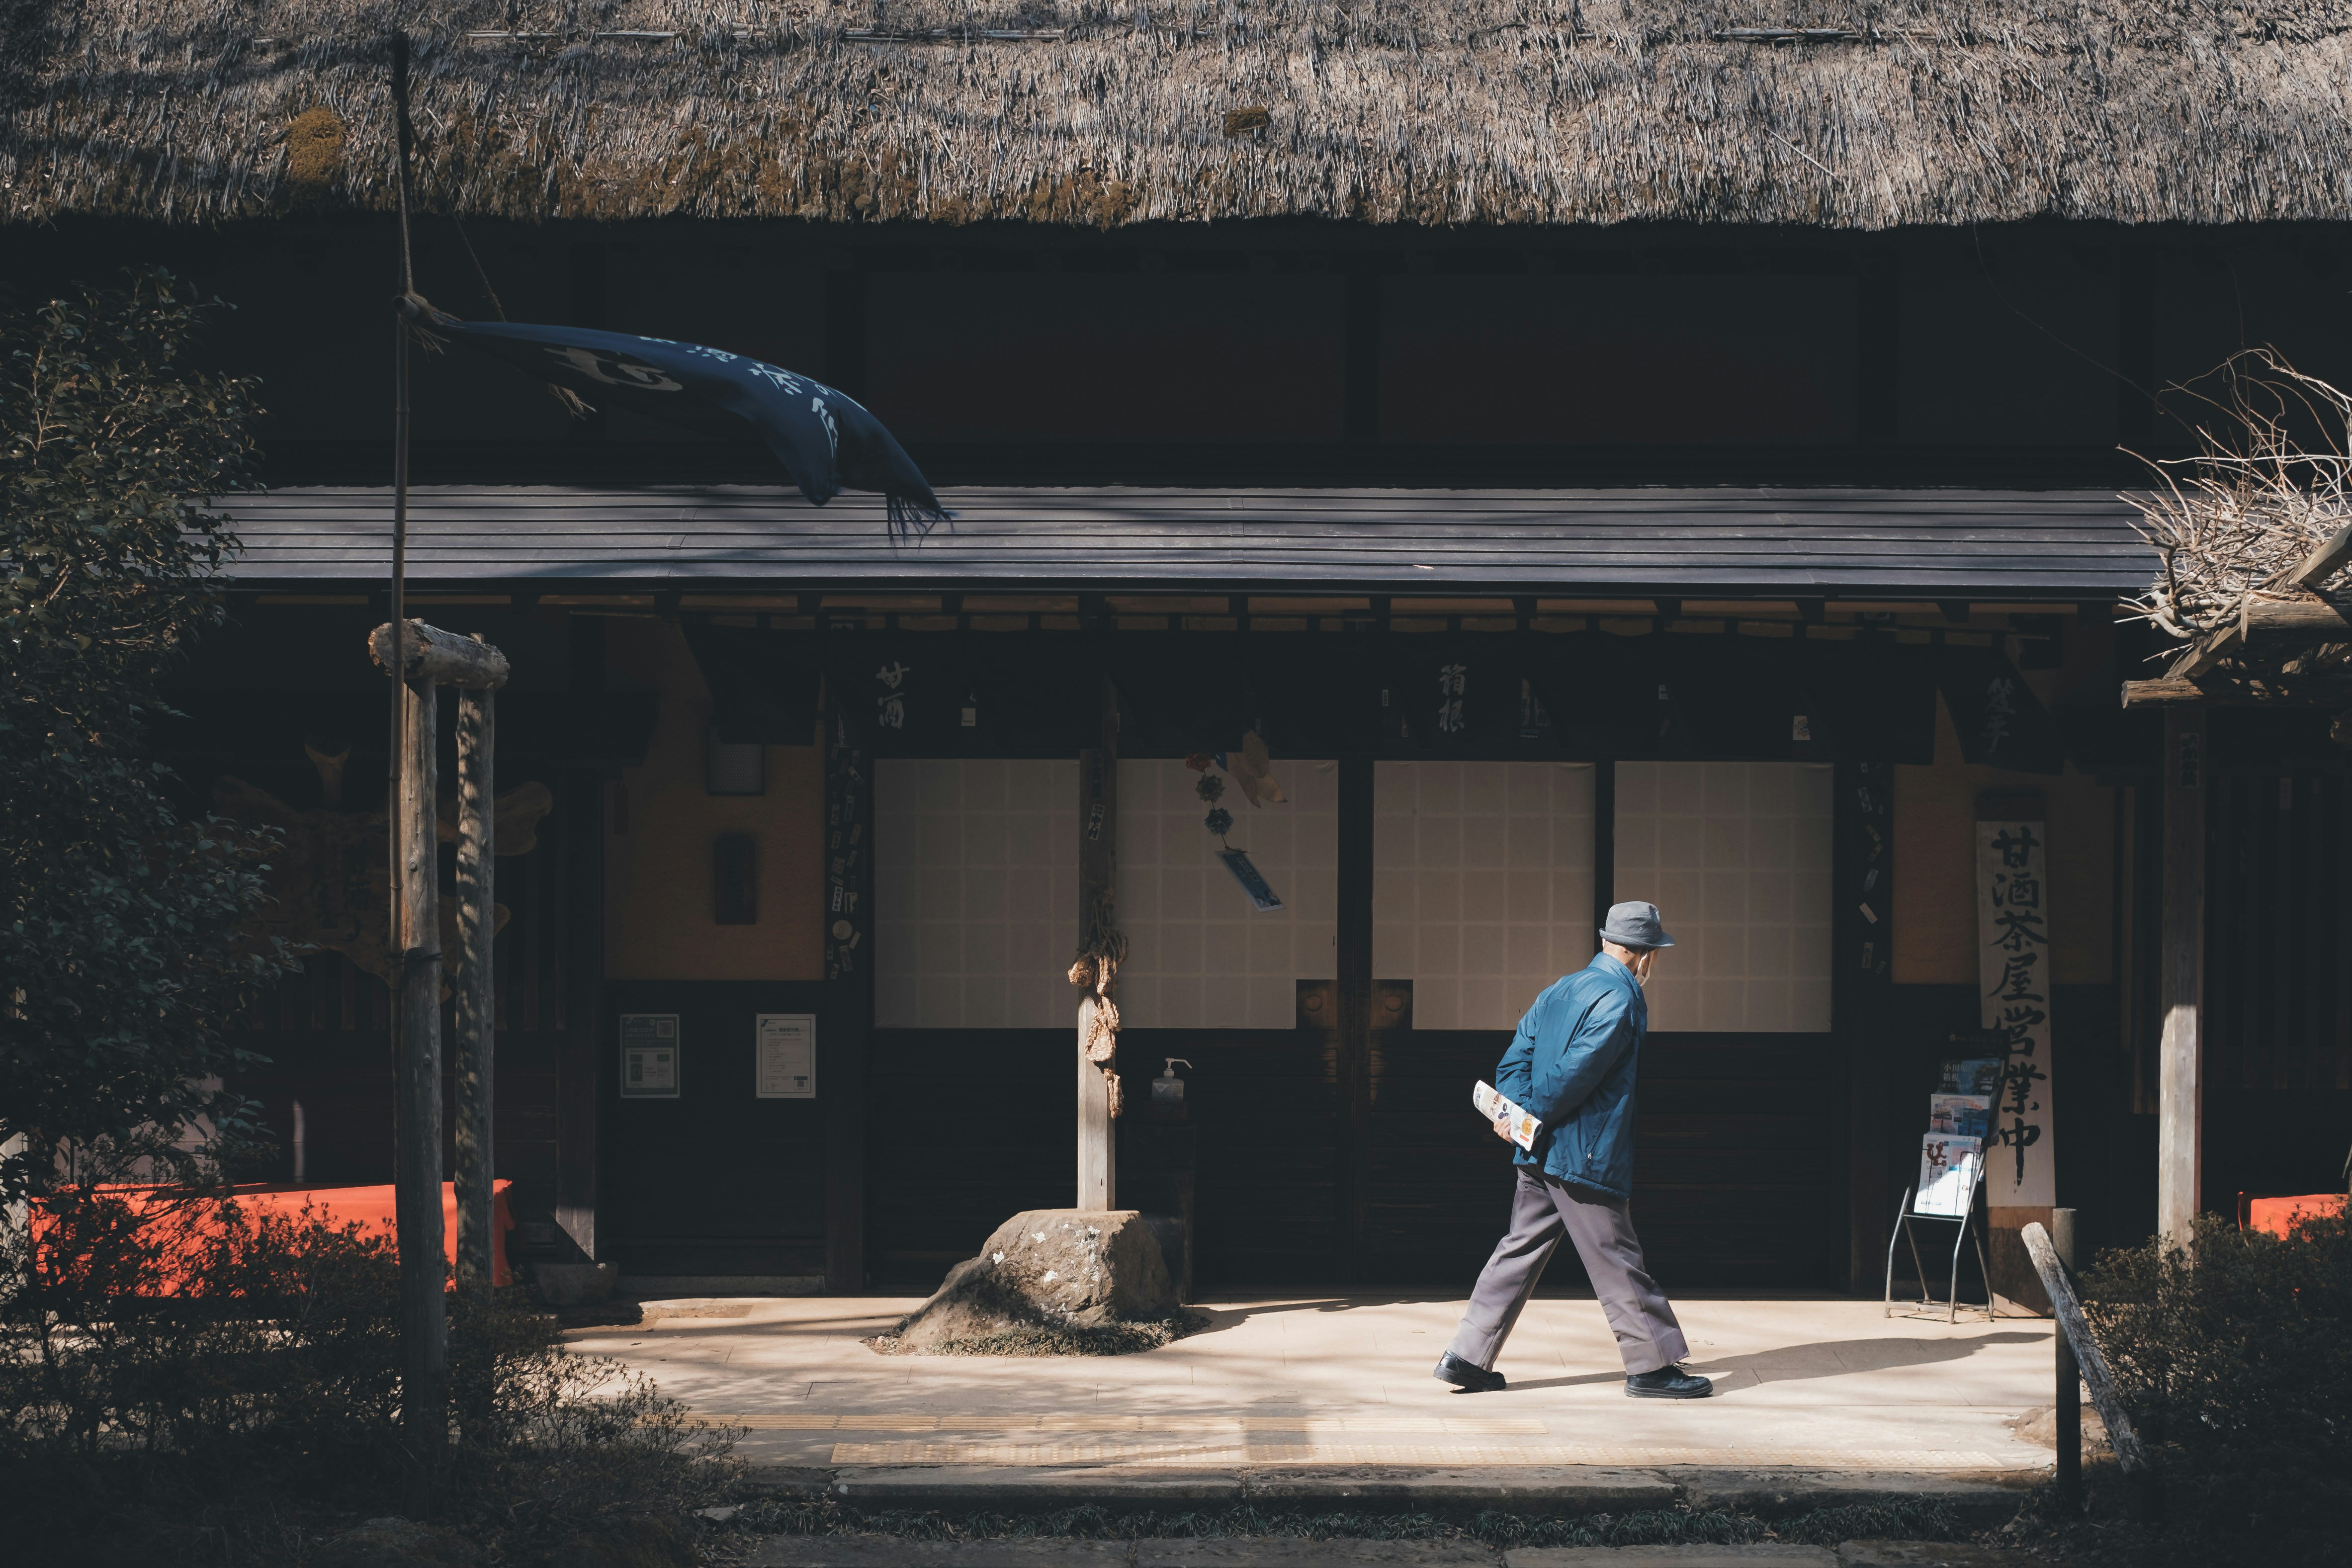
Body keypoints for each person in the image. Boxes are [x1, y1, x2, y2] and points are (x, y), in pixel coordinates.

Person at [1432, 901, 1713, 1399]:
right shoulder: (1621, 998)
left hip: (1539, 1148)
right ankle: (1651, 1368)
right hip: (1582, 1151)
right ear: (1645, 955)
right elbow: (1577, 1074)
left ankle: (1467, 1356)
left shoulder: (1562, 987)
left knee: (1518, 1249)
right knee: (1617, 1257)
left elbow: (1516, 1055)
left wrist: (1515, 1118)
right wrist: (1535, 1115)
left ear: (1606, 940)